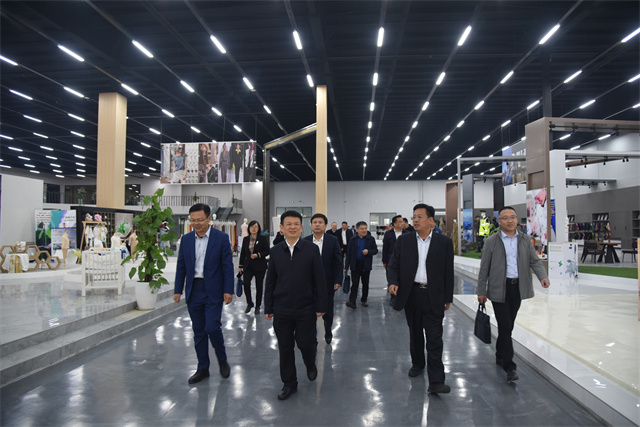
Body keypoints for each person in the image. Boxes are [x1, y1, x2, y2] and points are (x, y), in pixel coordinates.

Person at [477, 206, 550, 382]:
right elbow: (484, 268)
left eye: (513, 217)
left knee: (507, 327)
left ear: (517, 219)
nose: (510, 220)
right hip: (498, 288)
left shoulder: (524, 240)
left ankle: (500, 353)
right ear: (499, 221)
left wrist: (543, 277)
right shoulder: (492, 241)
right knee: (505, 325)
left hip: (517, 288)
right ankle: (509, 366)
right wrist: (481, 290)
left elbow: (534, 261)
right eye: (505, 218)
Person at [387, 203, 453, 394]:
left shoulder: (444, 242)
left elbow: (448, 271)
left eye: (419, 217)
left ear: (431, 220)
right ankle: (417, 363)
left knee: (434, 338)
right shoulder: (404, 241)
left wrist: (448, 297)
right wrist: (393, 281)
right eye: (414, 217)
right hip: (412, 294)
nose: (415, 220)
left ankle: (436, 381)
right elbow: (393, 265)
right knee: (415, 333)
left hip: (434, 295)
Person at [265, 210, 327, 400]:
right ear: (281, 228)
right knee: (285, 347)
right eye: (288, 224)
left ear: (301, 227)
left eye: (296, 224)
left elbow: (319, 279)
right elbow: (270, 281)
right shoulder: (275, 251)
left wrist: (321, 304)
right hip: (281, 308)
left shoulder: (311, 250)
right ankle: (289, 383)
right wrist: (268, 306)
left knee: (305, 343)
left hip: (305, 308)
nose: (292, 227)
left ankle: (310, 362)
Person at [174, 203, 234, 384]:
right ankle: (202, 368)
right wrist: (178, 290)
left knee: (212, 327)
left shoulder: (221, 238)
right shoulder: (186, 239)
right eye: (193, 220)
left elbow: (227, 266)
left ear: (209, 218)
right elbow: (181, 266)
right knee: (198, 331)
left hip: (213, 291)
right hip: (194, 290)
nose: (196, 223)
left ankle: (222, 359)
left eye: (200, 220)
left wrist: (228, 290)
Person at [303, 213, 342, 344]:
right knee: (310, 311)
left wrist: (338, 280)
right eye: (315, 222)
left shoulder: (333, 240)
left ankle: (328, 330)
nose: (317, 225)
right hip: (309, 283)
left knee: (328, 310)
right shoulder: (305, 241)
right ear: (311, 225)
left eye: (320, 222)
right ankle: (312, 335)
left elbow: (338, 262)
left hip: (328, 282)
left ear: (325, 226)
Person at [238, 220, 270, 314]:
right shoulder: (246, 239)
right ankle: (249, 303)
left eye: (256, 227)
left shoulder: (262, 238)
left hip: (260, 266)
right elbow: (243, 253)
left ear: (258, 228)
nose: (253, 228)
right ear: (249, 228)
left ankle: (258, 306)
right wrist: (240, 266)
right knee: (246, 283)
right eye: (252, 227)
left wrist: (258, 255)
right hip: (248, 266)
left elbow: (267, 251)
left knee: (259, 286)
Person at [345, 221, 378, 309]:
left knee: (365, 284)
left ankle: (364, 300)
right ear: (357, 229)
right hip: (355, 265)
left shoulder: (370, 239)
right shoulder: (352, 239)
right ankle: (352, 302)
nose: (364, 230)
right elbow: (349, 254)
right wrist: (346, 266)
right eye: (362, 229)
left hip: (366, 265)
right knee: (354, 284)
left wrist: (368, 252)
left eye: (365, 228)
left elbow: (375, 250)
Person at [382, 215, 408, 305]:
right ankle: (393, 298)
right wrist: (384, 261)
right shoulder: (388, 234)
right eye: (400, 222)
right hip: (391, 260)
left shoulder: (407, 234)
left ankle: (402, 298)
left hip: (404, 261)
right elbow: (385, 248)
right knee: (392, 279)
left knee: (403, 279)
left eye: (403, 221)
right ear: (394, 224)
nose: (402, 223)